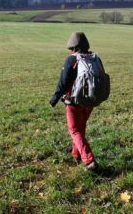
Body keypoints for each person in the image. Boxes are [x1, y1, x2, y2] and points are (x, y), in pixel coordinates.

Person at [49, 32, 98, 171]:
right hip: (90, 101)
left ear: (72, 46)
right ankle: (75, 154)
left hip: (74, 102)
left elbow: (63, 83)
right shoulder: (93, 57)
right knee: (80, 129)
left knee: (75, 130)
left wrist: (55, 98)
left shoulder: (71, 60)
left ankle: (89, 160)